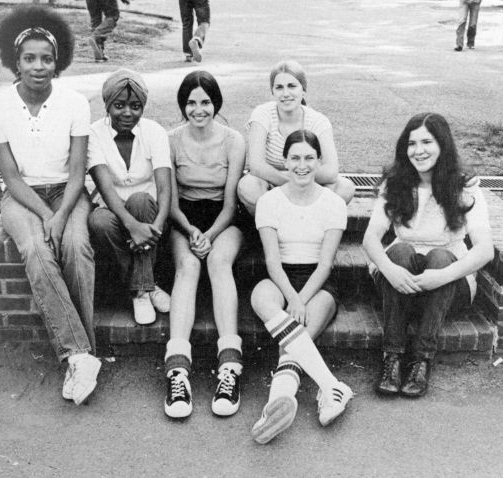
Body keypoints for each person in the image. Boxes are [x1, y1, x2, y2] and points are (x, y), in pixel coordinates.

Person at [0, 5, 100, 405]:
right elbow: (11, 178)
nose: (39, 66)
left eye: (47, 59)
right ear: (16, 62)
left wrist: (63, 213)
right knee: (35, 247)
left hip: (68, 192)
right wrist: (47, 216)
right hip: (23, 197)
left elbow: (78, 170)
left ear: (57, 62)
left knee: (75, 245)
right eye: (29, 59)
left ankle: (83, 356)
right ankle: (80, 355)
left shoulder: (74, 103)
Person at [362, 113, 494, 398]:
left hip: (447, 287)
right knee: (398, 250)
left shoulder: (464, 188)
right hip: (400, 283)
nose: (418, 150)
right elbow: (370, 238)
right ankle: (392, 359)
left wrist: (441, 276)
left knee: (440, 256)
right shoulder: (395, 184)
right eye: (411, 143)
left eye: (426, 142)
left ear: (443, 145)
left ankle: (422, 360)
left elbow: (485, 250)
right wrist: (389, 269)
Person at [250, 129, 353, 445]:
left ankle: (275, 402)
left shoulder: (334, 203)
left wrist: (302, 299)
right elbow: (272, 261)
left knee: (296, 339)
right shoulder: (268, 201)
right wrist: (292, 298)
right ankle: (332, 387)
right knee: (260, 297)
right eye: (295, 157)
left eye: (309, 158)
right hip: (281, 277)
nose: (302, 165)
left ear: (319, 161)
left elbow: (325, 264)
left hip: (318, 282)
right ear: (285, 161)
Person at [164, 71, 246, 419]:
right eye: (191, 102)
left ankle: (229, 367)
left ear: (216, 103)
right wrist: (190, 230)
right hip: (184, 216)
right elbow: (168, 199)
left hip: (222, 219)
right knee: (189, 265)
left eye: (206, 102)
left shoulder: (233, 140)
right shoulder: (169, 138)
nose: (198, 109)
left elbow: (230, 204)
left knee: (217, 262)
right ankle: (177, 371)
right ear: (183, 105)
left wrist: (209, 235)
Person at [87, 69, 172, 326]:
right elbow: (105, 188)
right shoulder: (94, 134)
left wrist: (154, 228)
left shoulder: (155, 131)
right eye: (119, 105)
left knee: (140, 199)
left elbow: (165, 188)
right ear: (107, 105)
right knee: (99, 221)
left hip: (148, 212)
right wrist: (132, 227)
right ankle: (146, 288)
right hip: (112, 210)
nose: (127, 113)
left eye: (135, 106)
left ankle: (139, 291)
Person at [237, 60, 355, 216]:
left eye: (292, 86)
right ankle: (273, 227)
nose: (285, 93)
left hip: (307, 183)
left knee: (345, 187)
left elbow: (331, 171)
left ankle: (306, 225)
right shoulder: (262, 114)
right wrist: (290, 184)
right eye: (279, 87)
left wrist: (301, 183)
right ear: (272, 91)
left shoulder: (318, 121)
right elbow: (256, 165)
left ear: (303, 90)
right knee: (248, 186)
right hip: (273, 185)